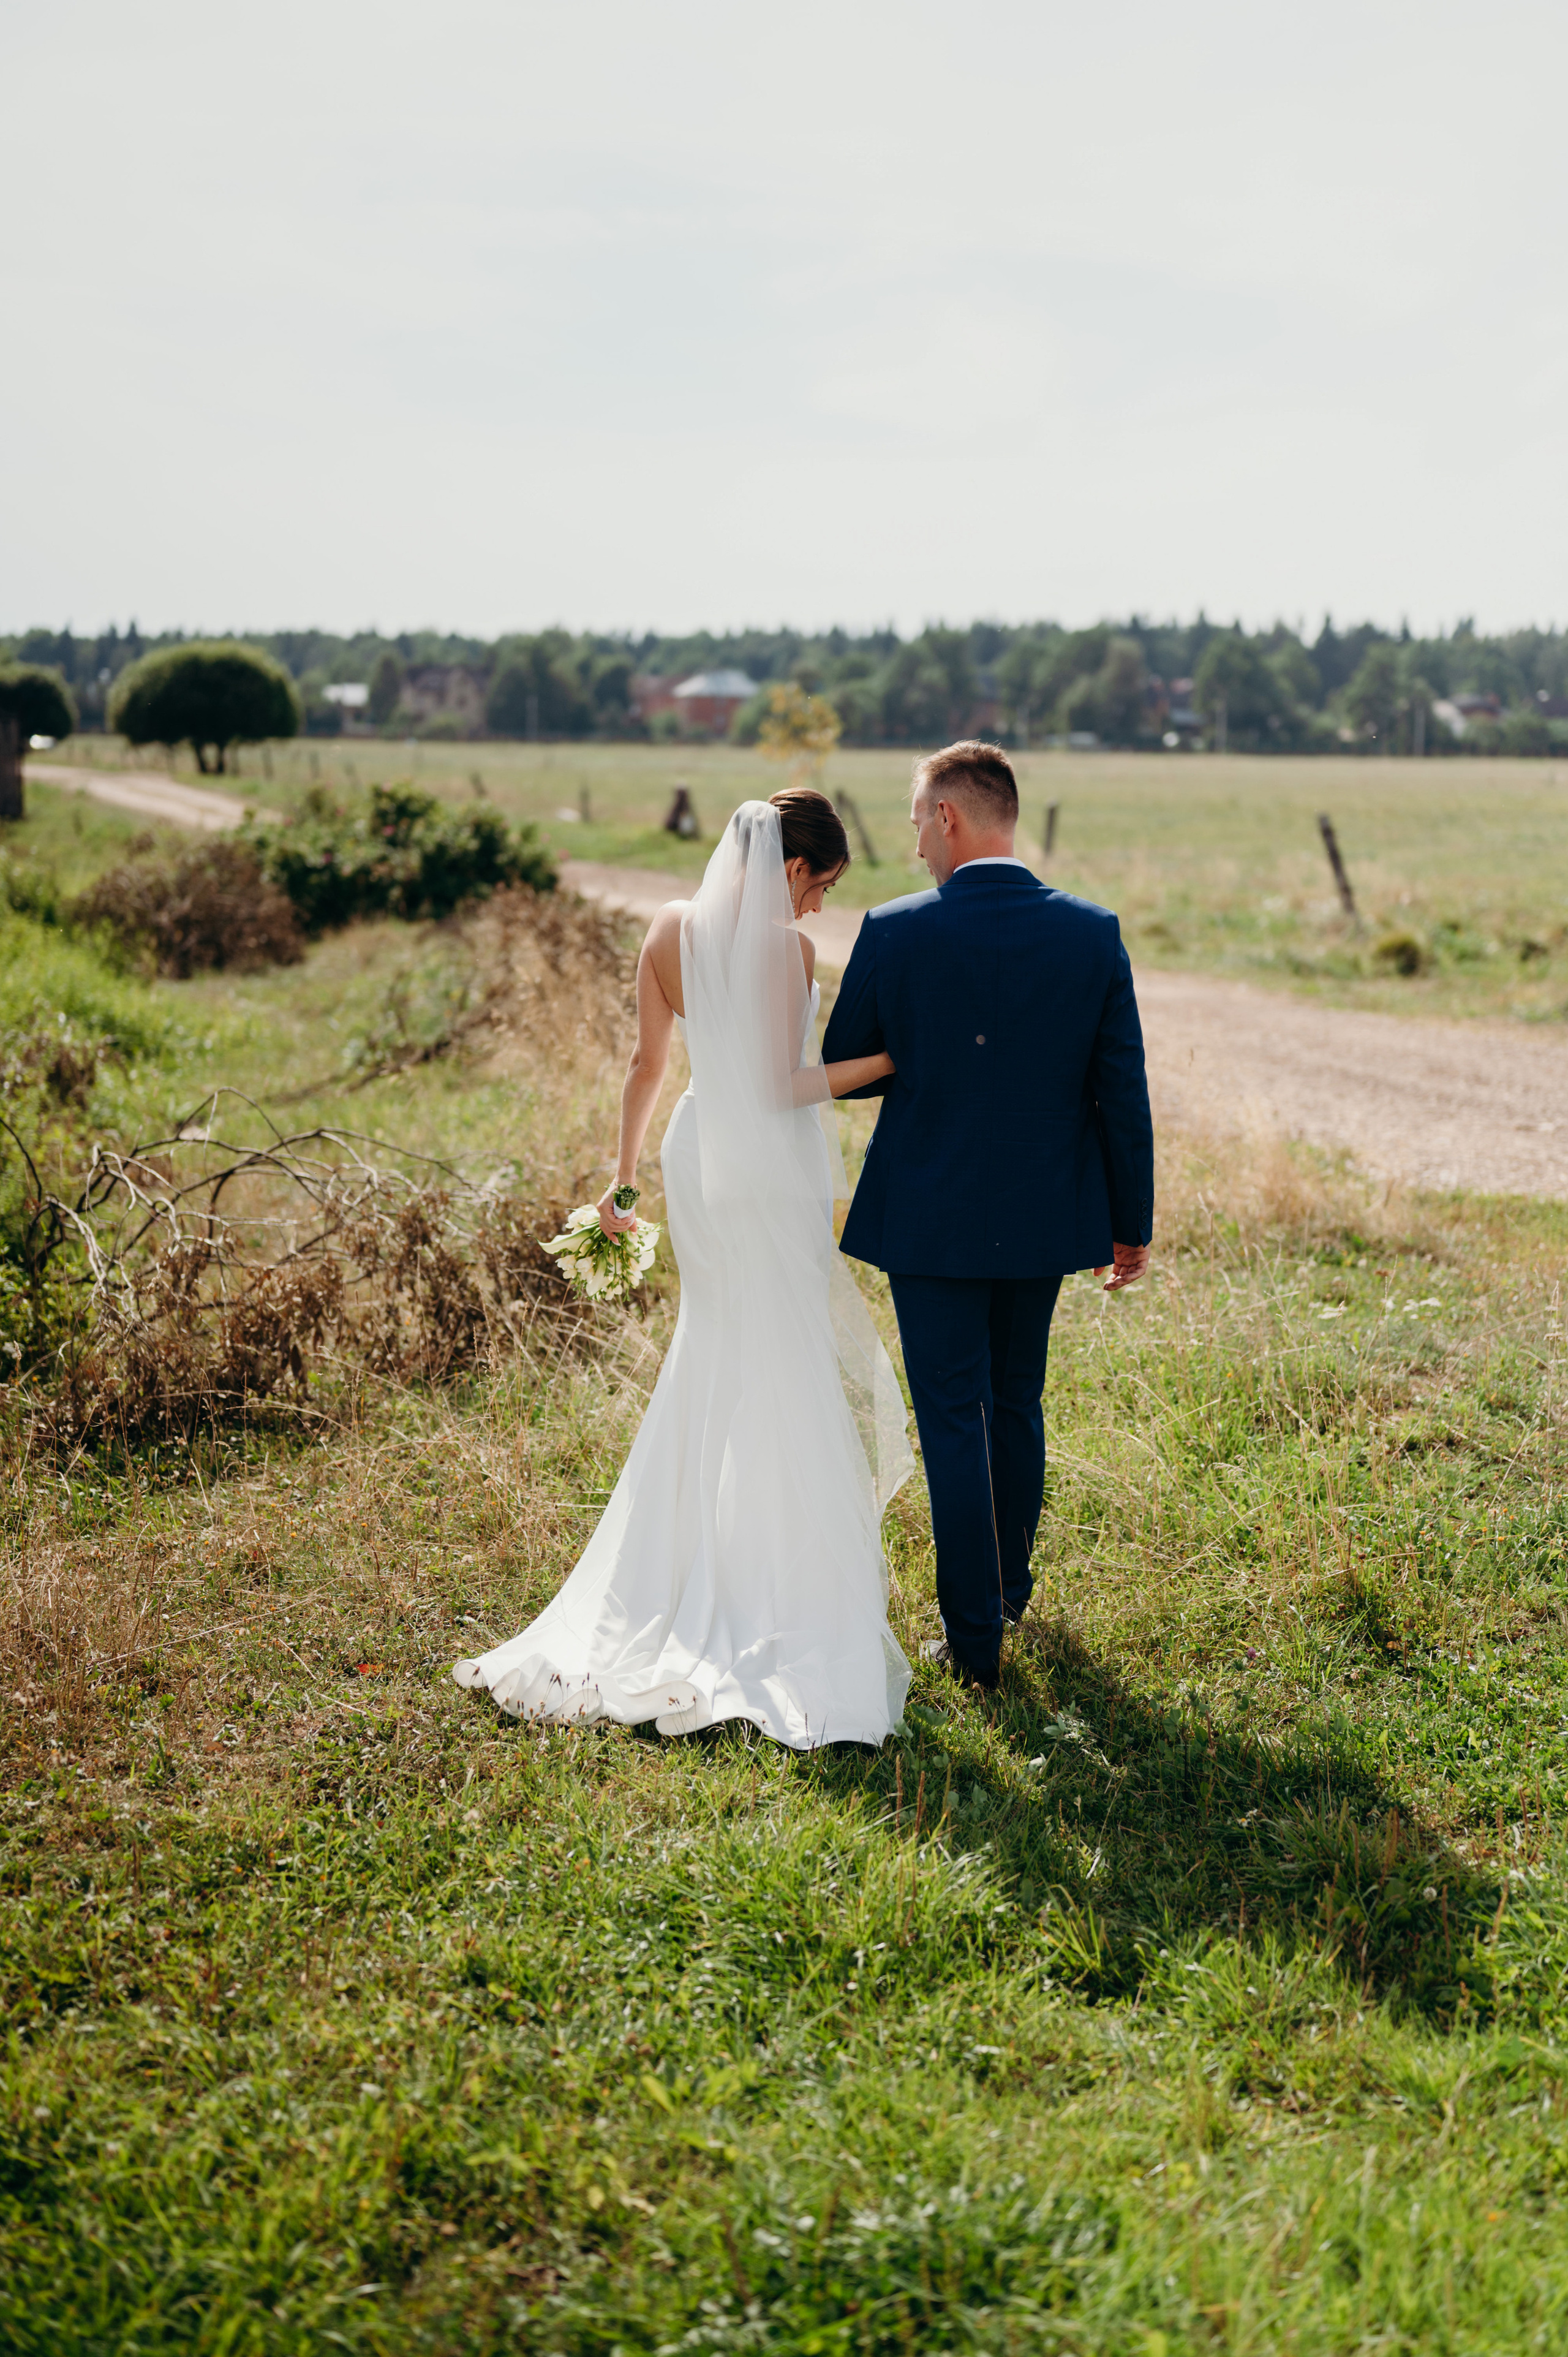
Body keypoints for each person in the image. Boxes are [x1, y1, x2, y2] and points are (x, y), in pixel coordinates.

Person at [454, 789, 914, 1748]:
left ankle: (691, 1567)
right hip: (759, 1169)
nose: (820, 907)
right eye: (822, 885)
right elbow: (784, 1087)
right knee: (778, 1360)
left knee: (713, 1352)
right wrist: (884, 1061)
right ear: (793, 869)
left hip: (694, 1155)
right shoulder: (785, 951)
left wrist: (621, 1187)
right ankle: (771, 1591)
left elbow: (644, 1064)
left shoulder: (667, 929)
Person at [821, 741, 1154, 1691]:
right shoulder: (1093, 932)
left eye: (918, 817)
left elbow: (849, 1062)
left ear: (952, 817)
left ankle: (975, 1644)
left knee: (953, 1420)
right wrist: (1132, 1223)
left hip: (930, 1218)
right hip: (1046, 1216)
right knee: (1016, 1402)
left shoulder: (894, 930)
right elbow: (1120, 1092)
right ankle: (1006, 1595)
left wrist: (924, 1050)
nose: (915, 837)